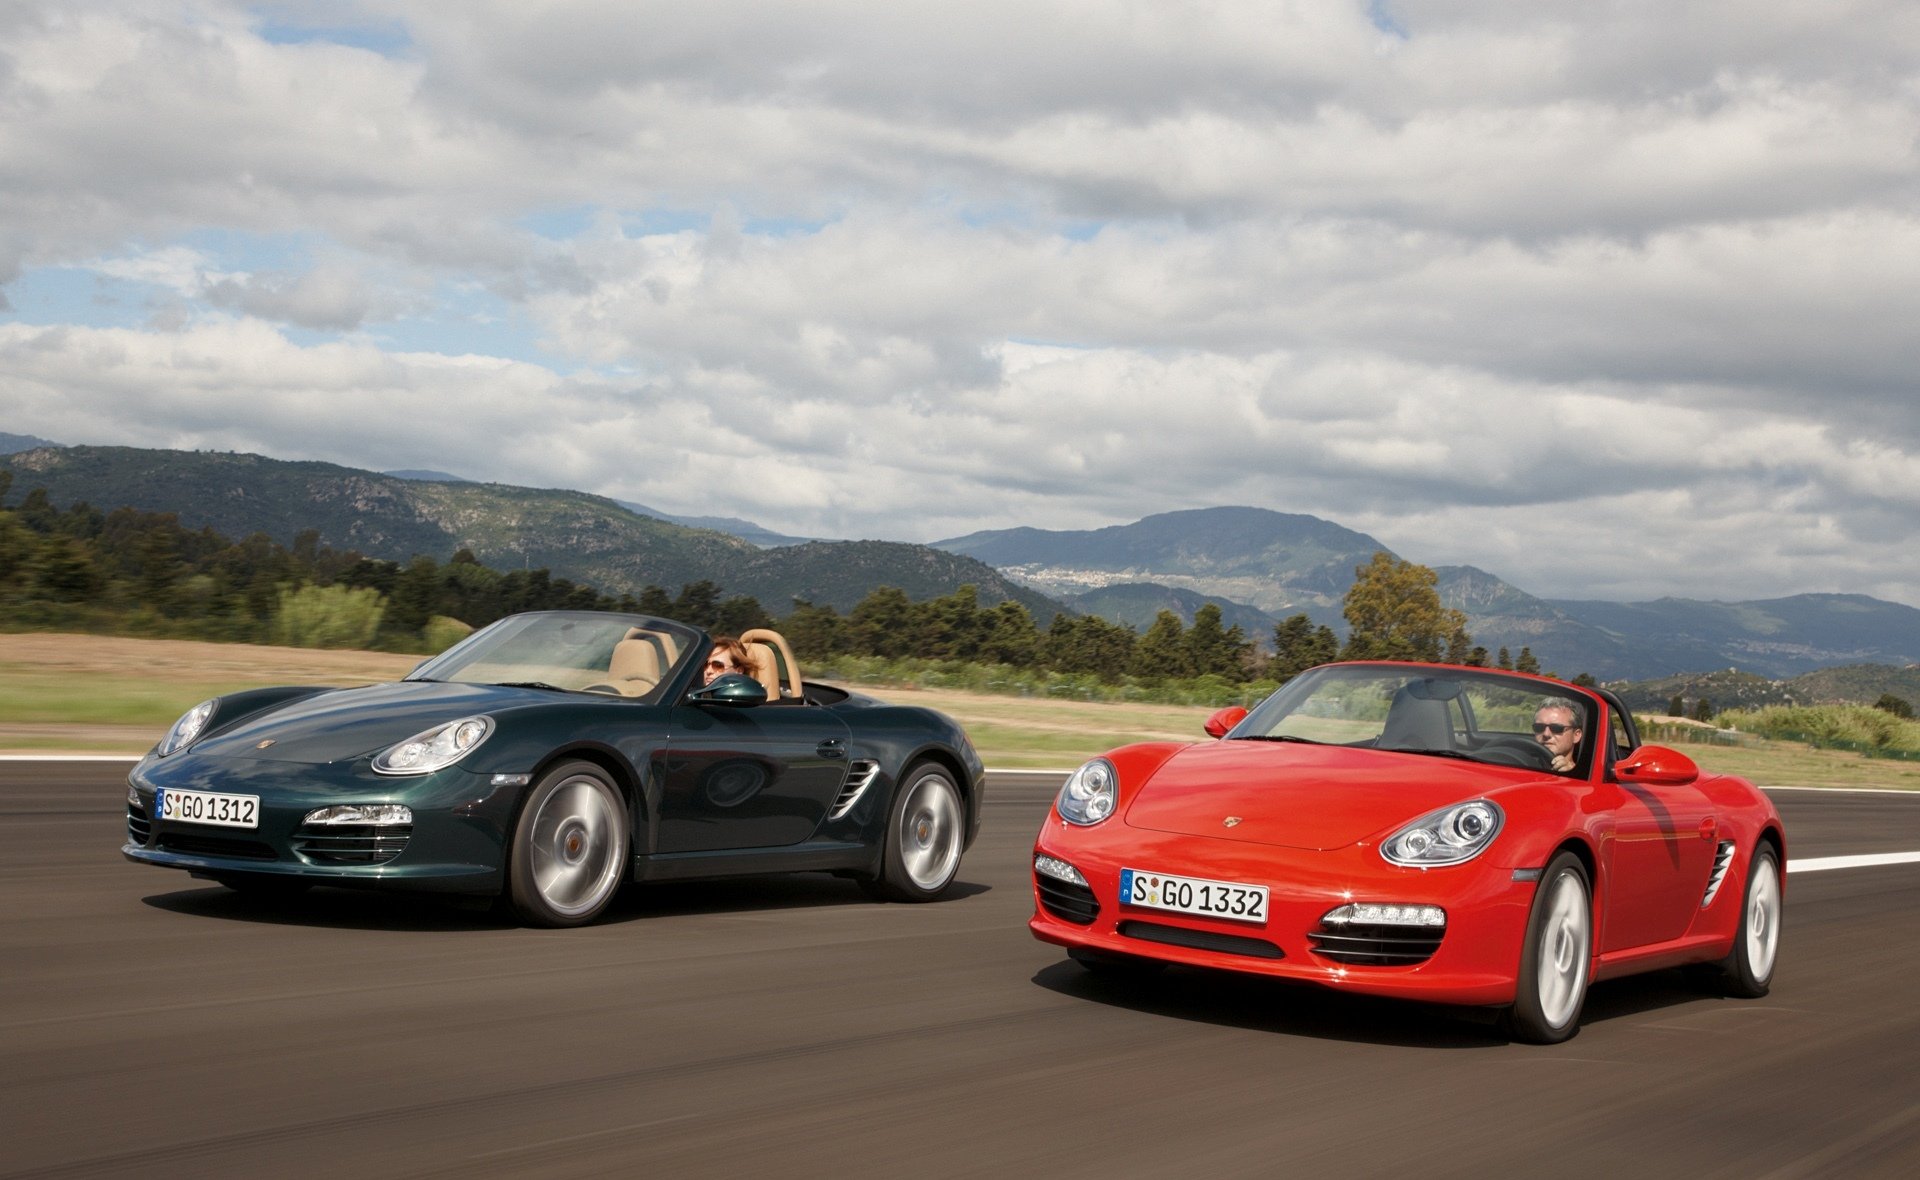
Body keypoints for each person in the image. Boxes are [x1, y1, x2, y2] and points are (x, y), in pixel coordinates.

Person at [1533, 701, 1584, 773]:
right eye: (1539, 727)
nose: (1546, 734)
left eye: (1556, 728)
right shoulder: (1522, 761)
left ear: (1576, 735)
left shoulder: (1583, 775)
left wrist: (1571, 773)